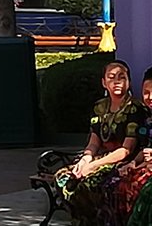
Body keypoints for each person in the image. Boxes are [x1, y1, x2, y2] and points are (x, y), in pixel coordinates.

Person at [56, 60, 145, 225]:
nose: (117, 81)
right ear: (104, 82)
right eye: (111, 77)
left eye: (122, 77)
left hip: (120, 160)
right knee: (63, 177)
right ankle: (81, 220)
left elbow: (126, 150)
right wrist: (85, 159)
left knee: (90, 183)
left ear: (128, 81)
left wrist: (94, 166)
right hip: (99, 157)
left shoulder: (135, 108)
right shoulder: (99, 107)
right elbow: (94, 140)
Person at [116, 67, 152, 224]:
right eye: (146, 92)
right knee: (120, 181)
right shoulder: (148, 119)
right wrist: (133, 162)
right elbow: (146, 148)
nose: (150, 97)